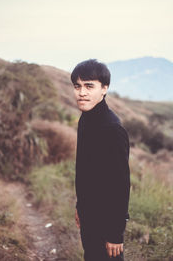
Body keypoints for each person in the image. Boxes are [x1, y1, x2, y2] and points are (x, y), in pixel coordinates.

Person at [71, 59, 131, 260]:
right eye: (77, 86)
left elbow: (120, 184)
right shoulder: (86, 118)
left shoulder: (111, 128)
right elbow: (85, 171)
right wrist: (81, 206)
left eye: (89, 86)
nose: (82, 92)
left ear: (104, 89)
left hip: (107, 225)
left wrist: (115, 233)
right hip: (89, 217)